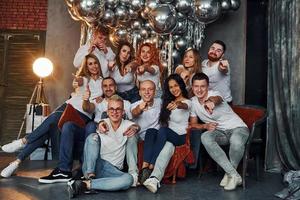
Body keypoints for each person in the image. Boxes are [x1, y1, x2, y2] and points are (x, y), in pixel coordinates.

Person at [1, 54, 103, 178]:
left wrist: (102, 97)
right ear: (86, 67)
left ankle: (23, 142)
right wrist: (77, 81)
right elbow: (79, 81)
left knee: (52, 119)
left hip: (82, 113)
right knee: (47, 130)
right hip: (68, 107)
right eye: (90, 64)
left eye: (95, 63)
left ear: (99, 63)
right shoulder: (84, 79)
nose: (93, 66)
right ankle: (16, 162)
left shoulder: (103, 81)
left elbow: (108, 92)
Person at [68, 95, 140, 198]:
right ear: (107, 111)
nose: (114, 112)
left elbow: (137, 127)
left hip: (113, 171)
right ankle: (90, 176)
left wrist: (136, 128)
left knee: (128, 179)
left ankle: (85, 184)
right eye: (111, 109)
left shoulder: (127, 125)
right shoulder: (103, 124)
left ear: (123, 112)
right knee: (93, 137)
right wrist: (99, 125)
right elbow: (99, 125)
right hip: (96, 165)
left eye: (118, 109)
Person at [189, 72, 249, 191]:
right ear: (192, 87)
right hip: (220, 133)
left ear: (208, 87)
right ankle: (234, 175)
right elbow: (193, 124)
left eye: (203, 86)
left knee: (236, 141)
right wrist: (205, 125)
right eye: (196, 86)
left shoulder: (215, 94)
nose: (199, 90)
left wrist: (210, 102)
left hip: (238, 128)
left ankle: (230, 174)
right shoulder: (193, 102)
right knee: (205, 137)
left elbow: (216, 99)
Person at [141, 74, 191, 193]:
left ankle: (152, 165)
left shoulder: (189, 102)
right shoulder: (167, 101)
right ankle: (145, 167)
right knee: (151, 131)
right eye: (171, 87)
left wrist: (178, 104)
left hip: (180, 137)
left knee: (163, 130)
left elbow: (184, 105)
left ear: (181, 85)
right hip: (169, 135)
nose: (174, 89)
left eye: (176, 85)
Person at [126, 80, 161, 186]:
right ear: (140, 92)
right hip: (139, 136)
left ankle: (147, 170)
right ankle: (133, 173)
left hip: (154, 136)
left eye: (150, 89)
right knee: (131, 137)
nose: (147, 92)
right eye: (143, 90)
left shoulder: (160, 102)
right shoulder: (134, 105)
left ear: (155, 92)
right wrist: (140, 108)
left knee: (152, 132)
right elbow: (134, 113)